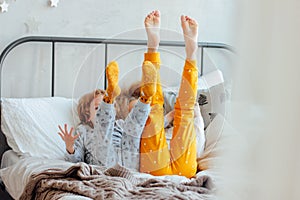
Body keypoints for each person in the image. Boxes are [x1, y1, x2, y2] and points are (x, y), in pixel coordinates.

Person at [58, 59, 158, 171]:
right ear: (88, 115)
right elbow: (76, 162)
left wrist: (167, 119)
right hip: (105, 167)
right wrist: (70, 148)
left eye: (103, 108)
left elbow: (143, 128)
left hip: (129, 166)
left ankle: (146, 98)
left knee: (133, 131)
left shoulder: (120, 124)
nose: (101, 112)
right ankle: (110, 96)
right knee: (102, 132)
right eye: (97, 108)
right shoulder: (83, 130)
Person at [139, 10, 200, 178]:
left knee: (155, 110)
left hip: (158, 169)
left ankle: (154, 47)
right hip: (184, 172)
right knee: (182, 112)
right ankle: (191, 54)